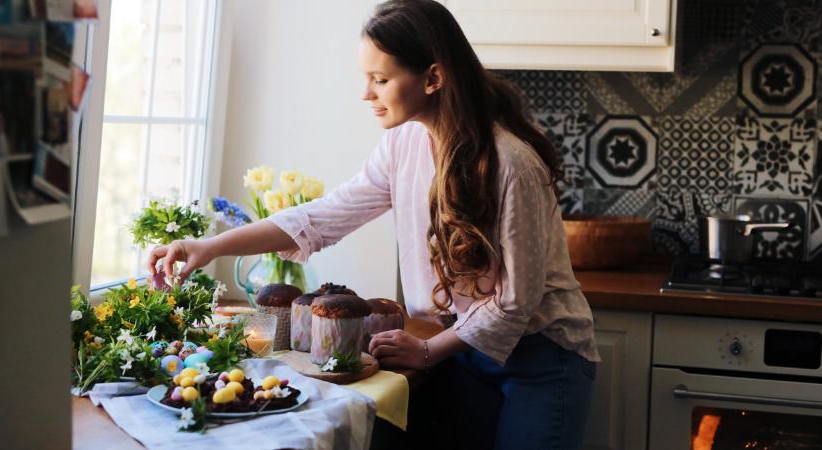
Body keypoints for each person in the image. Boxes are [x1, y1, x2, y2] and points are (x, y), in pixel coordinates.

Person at [149, 1, 599, 448]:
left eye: (380, 80)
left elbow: (515, 302)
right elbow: (323, 215)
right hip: (464, 352)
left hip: (542, 359)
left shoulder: (511, 165)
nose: (366, 94)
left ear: (433, 78)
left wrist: (426, 351)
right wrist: (210, 246)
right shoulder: (404, 145)